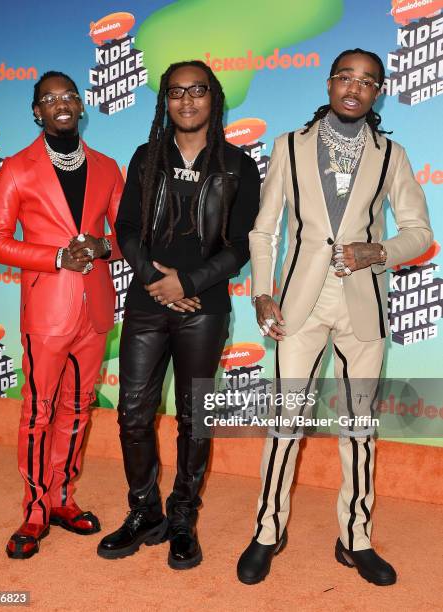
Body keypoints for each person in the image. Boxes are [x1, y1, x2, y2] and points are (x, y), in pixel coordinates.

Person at [236, 48, 432, 586]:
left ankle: (356, 538)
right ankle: (268, 531)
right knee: (284, 425)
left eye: (367, 81)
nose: (354, 87)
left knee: (359, 427)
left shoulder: (392, 155)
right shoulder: (288, 146)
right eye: (345, 76)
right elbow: (263, 229)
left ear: (378, 93)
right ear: (328, 83)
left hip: (362, 306)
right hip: (299, 305)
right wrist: (260, 290)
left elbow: (419, 233)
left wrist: (378, 251)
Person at [97, 60, 260, 569]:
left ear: (214, 98)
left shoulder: (238, 166)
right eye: (175, 92)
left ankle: (183, 515)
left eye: (198, 91)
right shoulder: (147, 156)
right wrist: (153, 278)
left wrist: (186, 283)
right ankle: (144, 511)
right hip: (146, 304)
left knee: (194, 419)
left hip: (203, 308)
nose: (187, 101)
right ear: (164, 100)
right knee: (134, 415)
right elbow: (125, 228)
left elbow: (240, 247)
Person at [0, 71, 123, 559]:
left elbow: (127, 236)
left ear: (82, 106)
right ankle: (36, 509)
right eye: (49, 99)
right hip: (46, 311)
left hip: (95, 309)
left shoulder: (106, 167)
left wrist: (103, 245)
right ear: (36, 112)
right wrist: (57, 257)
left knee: (79, 409)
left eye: (68, 96)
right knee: (39, 411)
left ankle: (63, 498)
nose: (60, 104)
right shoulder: (17, 169)